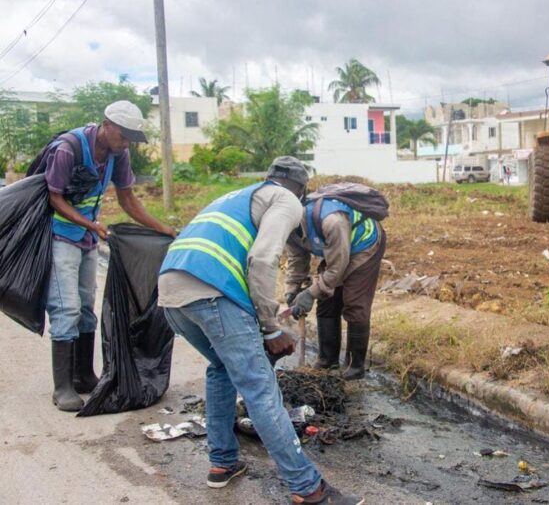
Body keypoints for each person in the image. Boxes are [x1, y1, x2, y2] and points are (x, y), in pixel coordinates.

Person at [158, 157, 362, 504]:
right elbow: (263, 259)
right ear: (300, 189)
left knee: (222, 367)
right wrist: (269, 329)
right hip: (211, 291)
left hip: (171, 292)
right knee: (260, 388)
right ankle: (307, 488)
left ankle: (222, 462)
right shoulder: (285, 200)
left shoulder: (237, 196)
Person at [45, 100, 175, 413]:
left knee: (87, 307)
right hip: (59, 235)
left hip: (87, 238)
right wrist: (90, 224)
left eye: (131, 137)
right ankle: (62, 387)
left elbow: (128, 198)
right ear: (107, 125)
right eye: (123, 135)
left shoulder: (119, 155)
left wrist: (163, 229)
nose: (126, 142)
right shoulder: (68, 149)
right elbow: (54, 197)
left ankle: (83, 375)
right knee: (66, 307)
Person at [285, 187, 386, 380]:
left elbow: (337, 269)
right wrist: (292, 291)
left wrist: (309, 293)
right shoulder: (288, 229)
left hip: (365, 244)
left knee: (354, 303)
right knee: (327, 301)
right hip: (338, 250)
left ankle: (354, 367)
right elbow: (297, 259)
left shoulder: (332, 220)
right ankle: (327, 361)